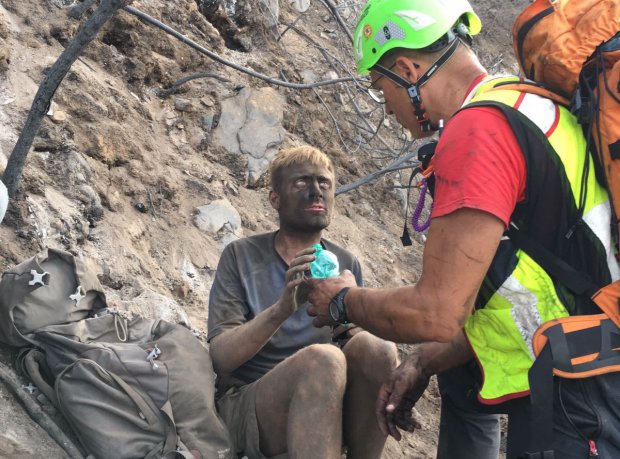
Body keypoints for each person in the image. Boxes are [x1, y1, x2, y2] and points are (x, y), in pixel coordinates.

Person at [306, 0, 620, 458]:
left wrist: (341, 300)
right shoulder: (525, 101)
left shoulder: (478, 132)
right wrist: (422, 360)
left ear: (408, 71)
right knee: (456, 376)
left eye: (380, 87)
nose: (385, 107)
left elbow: (437, 313)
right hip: (589, 363)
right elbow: (525, 287)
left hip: (580, 400)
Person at [207, 145, 399, 459]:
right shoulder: (241, 256)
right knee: (323, 359)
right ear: (275, 199)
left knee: (380, 349)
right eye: (301, 183)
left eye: (324, 184)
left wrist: (347, 311)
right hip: (250, 404)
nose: (315, 192)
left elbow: (359, 348)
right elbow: (221, 359)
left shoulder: (346, 263)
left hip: (327, 401)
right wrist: (282, 309)